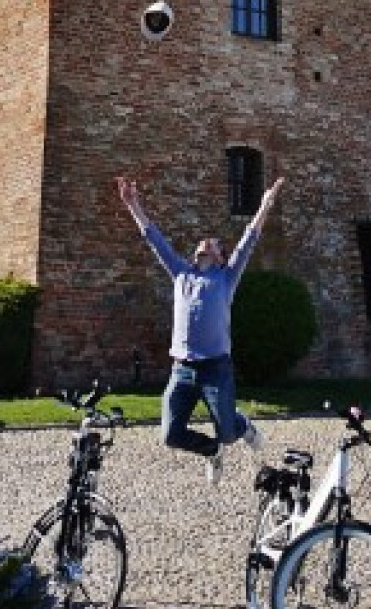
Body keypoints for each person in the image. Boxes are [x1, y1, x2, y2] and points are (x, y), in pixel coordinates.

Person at [119, 171, 286, 484]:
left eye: (212, 244)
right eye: (201, 243)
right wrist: (133, 205)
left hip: (215, 369)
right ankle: (211, 451)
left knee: (228, 431)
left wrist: (265, 204)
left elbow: (249, 239)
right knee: (170, 434)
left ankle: (242, 427)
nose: (204, 244)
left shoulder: (226, 277)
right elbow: (154, 240)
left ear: (221, 258)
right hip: (181, 369)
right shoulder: (180, 273)